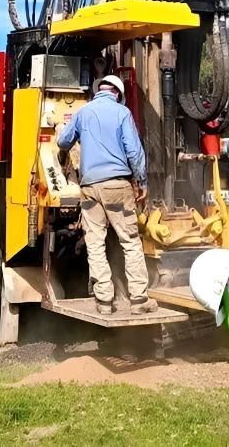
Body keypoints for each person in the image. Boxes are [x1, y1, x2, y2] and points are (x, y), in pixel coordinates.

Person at [57, 74, 157, 316]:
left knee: (95, 244)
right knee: (130, 241)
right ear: (118, 94)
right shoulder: (122, 113)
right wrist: (141, 181)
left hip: (89, 188)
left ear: (99, 91)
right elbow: (134, 151)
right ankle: (139, 299)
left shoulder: (83, 112)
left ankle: (103, 301)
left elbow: (62, 140)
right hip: (117, 187)